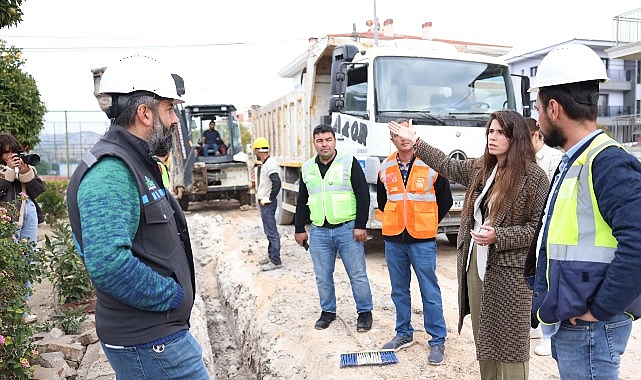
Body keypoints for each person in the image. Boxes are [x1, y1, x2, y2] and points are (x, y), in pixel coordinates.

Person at [66, 55, 209, 379]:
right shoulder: (111, 172)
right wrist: (173, 296)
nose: (175, 120)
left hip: (156, 337)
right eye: (169, 109)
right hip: (151, 342)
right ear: (145, 113)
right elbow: (107, 263)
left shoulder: (133, 161)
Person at [389, 111, 548, 379]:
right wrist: (416, 142)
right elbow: (447, 165)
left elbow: (537, 229)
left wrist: (500, 235)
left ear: (516, 137)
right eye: (490, 132)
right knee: (483, 334)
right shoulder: (483, 168)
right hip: (476, 263)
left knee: (509, 341)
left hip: (511, 272)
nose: (492, 137)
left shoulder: (534, 177)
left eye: (500, 132)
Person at [524, 43, 641, 379]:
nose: (537, 118)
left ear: (554, 109)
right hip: (576, 319)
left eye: (538, 109)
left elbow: (638, 243)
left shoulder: (607, 162)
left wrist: (601, 308)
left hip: (591, 325)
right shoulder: (577, 158)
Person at [377, 120, 453, 365]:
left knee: (429, 290)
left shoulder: (431, 164)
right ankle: (403, 334)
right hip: (394, 238)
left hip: (422, 239)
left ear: (414, 134)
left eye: (405, 133)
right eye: (396, 134)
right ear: (392, 139)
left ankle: (437, 339)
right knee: (399, 290)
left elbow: (446, 200)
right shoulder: (385, 167)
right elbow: (383, 202)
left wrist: (429, 222)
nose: (402, 138)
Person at [294, 124, 374, 332]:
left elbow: (363, 194)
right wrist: (299, 228)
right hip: (319, 230)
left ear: (334, 141)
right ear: (314, 143)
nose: (324, 144)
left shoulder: (348, 162)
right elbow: (302, 200)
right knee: (322, 275)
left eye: (328, 140)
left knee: (357, 274)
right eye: (320, 141)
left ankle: (364, 313)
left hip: (347, 229)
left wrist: (360, 225)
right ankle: (327, 312)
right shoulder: (308, 167)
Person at [524, 116, 562, 356]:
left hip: (550, 227)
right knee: (531, 279)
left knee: (547, 280)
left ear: (537, 135)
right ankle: (534, 324)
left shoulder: (554, 159)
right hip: (530, 226)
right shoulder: (523, 160)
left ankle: (549, 335)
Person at [0, 133, 45, 324]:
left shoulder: (24, 167)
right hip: (8, 218)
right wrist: (8, 172)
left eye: (14, 152)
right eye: (6, 153)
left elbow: (38, 190)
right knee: (10, 265)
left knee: (27, 262)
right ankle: (9, 311)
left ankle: (23, 310)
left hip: (29, 213)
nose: (12, 156)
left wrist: (25, 171)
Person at [252, 137, 283, 271]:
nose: (254, 153)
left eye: (255, 151)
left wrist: (270, 198)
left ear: (258, 150)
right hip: (265, 202)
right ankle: (271, 256)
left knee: (271, 232)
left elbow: (277, 182)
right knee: (268, 230)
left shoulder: (270, 164)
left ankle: (276, 261)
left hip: (267, 203)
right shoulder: (267, 163)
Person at [525, 117, 563, 182]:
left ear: (536, 135)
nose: (519, 144)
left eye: (523, 139)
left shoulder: (555, 157)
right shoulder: (521, 157)